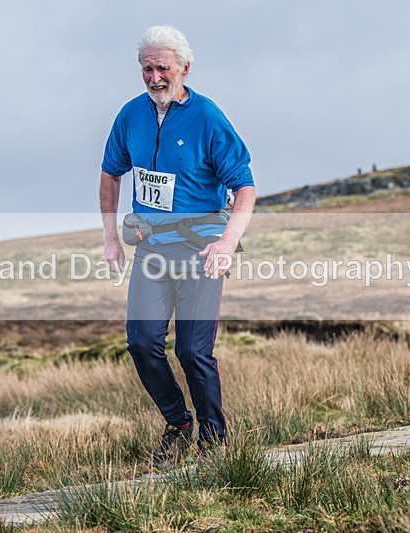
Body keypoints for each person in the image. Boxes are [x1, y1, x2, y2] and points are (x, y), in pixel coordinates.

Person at [99, 25, 256, 471]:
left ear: (185, 68)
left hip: (201, 253)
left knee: (192, 351)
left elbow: (244, 188)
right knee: (142, 343)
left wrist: (227, 243)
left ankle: (214, 442)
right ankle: (179, 423)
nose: (154, 78)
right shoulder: (130, 115)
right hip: (152, 251)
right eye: (146, 69)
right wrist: (110, 239)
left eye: (163, 68)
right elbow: (110, 173)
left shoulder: (207, 118)